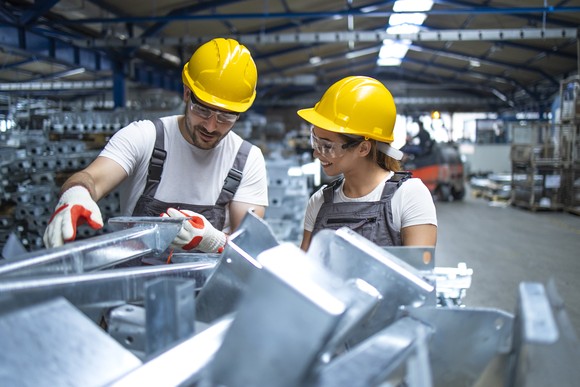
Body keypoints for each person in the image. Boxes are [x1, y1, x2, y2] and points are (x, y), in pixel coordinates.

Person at [43, 38, 269, 254]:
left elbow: (250, 244)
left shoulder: (246, 159)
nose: (211, 126)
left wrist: (214, 241)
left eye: (225, 117)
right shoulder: (144, 137)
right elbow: (91, 178)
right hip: (138, 287)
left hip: (210, 288)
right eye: (203, 110)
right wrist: (76, 194)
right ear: (187, 93)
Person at [297, 76, 437, 251]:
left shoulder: (409, 196)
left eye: (327, 146)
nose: (316, 153)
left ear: (363, 148)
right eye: (315, 142)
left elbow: (417, 274)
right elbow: (304, 273)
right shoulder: (318, 202)